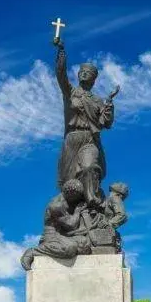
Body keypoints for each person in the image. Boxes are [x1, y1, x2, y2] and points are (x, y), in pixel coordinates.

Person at [53, 36, 119, 206]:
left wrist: (109, 103)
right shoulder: (71, 92)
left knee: (90, 167)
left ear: (93, 79)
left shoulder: (97, 101)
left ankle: (92, 202)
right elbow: (61, 76)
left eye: (87, 72)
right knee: (69, 180)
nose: (83, 73)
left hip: (90, 139)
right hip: (72, 139)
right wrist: (61, 52)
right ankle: (72, 208)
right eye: (81, 71)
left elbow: (106, 123)